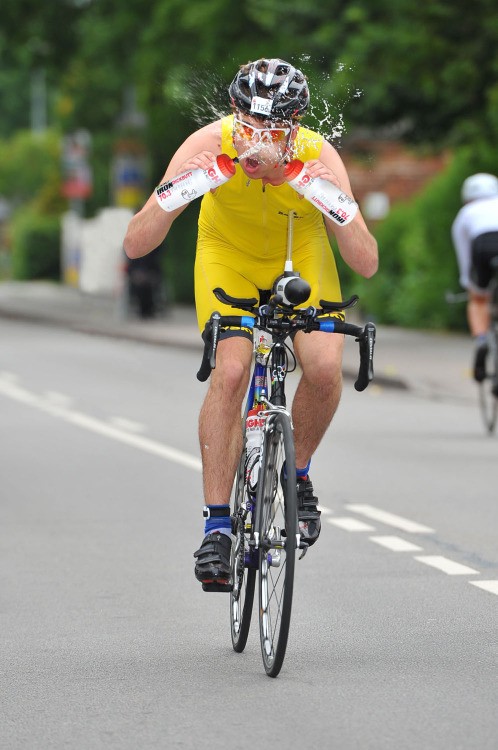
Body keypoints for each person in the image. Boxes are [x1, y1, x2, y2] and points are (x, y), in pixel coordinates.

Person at [123, 58, 378, 590]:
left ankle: (297, 474)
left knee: (326, 367)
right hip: (227, 256)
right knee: (233, 370)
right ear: (233, 114)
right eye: (249, 124)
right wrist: (177, 194)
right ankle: (218, 525)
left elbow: (366, 262)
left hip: (299, 256)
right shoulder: (206, 144)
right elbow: (135, 244)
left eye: (275, 128)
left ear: (296, 124)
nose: (259, 137)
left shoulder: (317, 155)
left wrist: (330, 200)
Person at [451, 172, 498, 382]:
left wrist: (470, 284)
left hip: (482, 245)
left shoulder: (466, 213)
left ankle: (481, 340)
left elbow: (465, 257)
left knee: (479, 300)